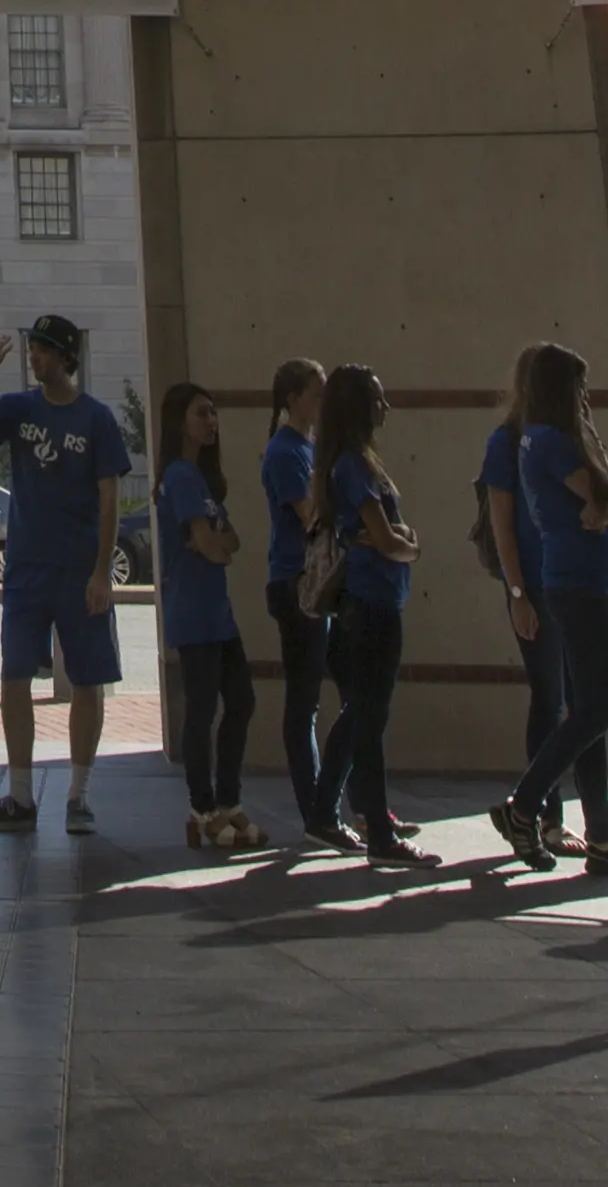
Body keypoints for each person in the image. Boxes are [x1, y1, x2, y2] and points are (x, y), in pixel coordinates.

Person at [484, 342, 608, 876]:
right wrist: (517, 593)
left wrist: (606, 507)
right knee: (588, 712)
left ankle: (600, 833)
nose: (587, 396)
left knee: (589, 712)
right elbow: (606, 500)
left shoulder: (557, 438)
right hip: (576, 583)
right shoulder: (550, 442)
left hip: (598, 580)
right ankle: (526, 805)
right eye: (579, 386)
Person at [0, 316, 129, 835]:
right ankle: (19, 796)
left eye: (43, 350)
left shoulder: (96, 418)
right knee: (15, 675)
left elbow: (110, 499)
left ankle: (78, 795)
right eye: (31, 349)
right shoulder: (19, 408)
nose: (34, 358)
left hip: (79, 567)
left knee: (87, 678)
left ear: (67, 357)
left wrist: (102, 571)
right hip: (25, 568)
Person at [307, 363, 425, 866]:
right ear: (359, 405)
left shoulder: (356, 462)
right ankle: (377, 832)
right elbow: (385, 538)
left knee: (361, 715)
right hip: (371, 604)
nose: (386, 406)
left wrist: (400, 543)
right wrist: (409, 547)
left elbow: (386, 537)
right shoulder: (353, 465)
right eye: (378, 398)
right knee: (369, 719)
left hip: (376, 600)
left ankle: (326, 811)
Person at [152, 381, 260, 853]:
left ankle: (228, 799)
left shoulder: (205, 482)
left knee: (242, 701)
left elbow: (228, 542)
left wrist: (213, 542)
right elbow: (211, 543)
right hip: (192, 613)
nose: (211, 422)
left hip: (219, 613)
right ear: (180, 422)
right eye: (202, 414)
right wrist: (211, 542)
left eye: (214, 414)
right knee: (202, 710)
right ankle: (203, 810)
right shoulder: (178, 476)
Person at [259, 358, 327, 825]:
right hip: (296, 582)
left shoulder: (311, 446)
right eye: (315, 392)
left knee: (324, 697)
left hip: (317, 583)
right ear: (292, 399)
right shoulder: (285, 452)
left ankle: (340, 802)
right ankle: (314, 808)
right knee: (304, 701)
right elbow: (312, 517)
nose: (322, 401)